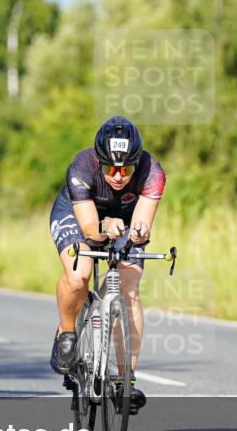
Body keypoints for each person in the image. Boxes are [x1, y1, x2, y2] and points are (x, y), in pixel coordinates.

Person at [48, 115, 166, 412]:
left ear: (136, 164)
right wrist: (105, 226)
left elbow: (141, 226)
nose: (117, 175)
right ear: (99, 162)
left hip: (123, 220)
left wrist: (138, 234)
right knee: (79, 275)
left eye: (125, 169)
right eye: (110, 168)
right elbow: (89, 231)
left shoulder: (153, 173)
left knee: (130, 289)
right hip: (78, 216)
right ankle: (66, 332)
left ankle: (126, 380)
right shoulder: (81, 166)